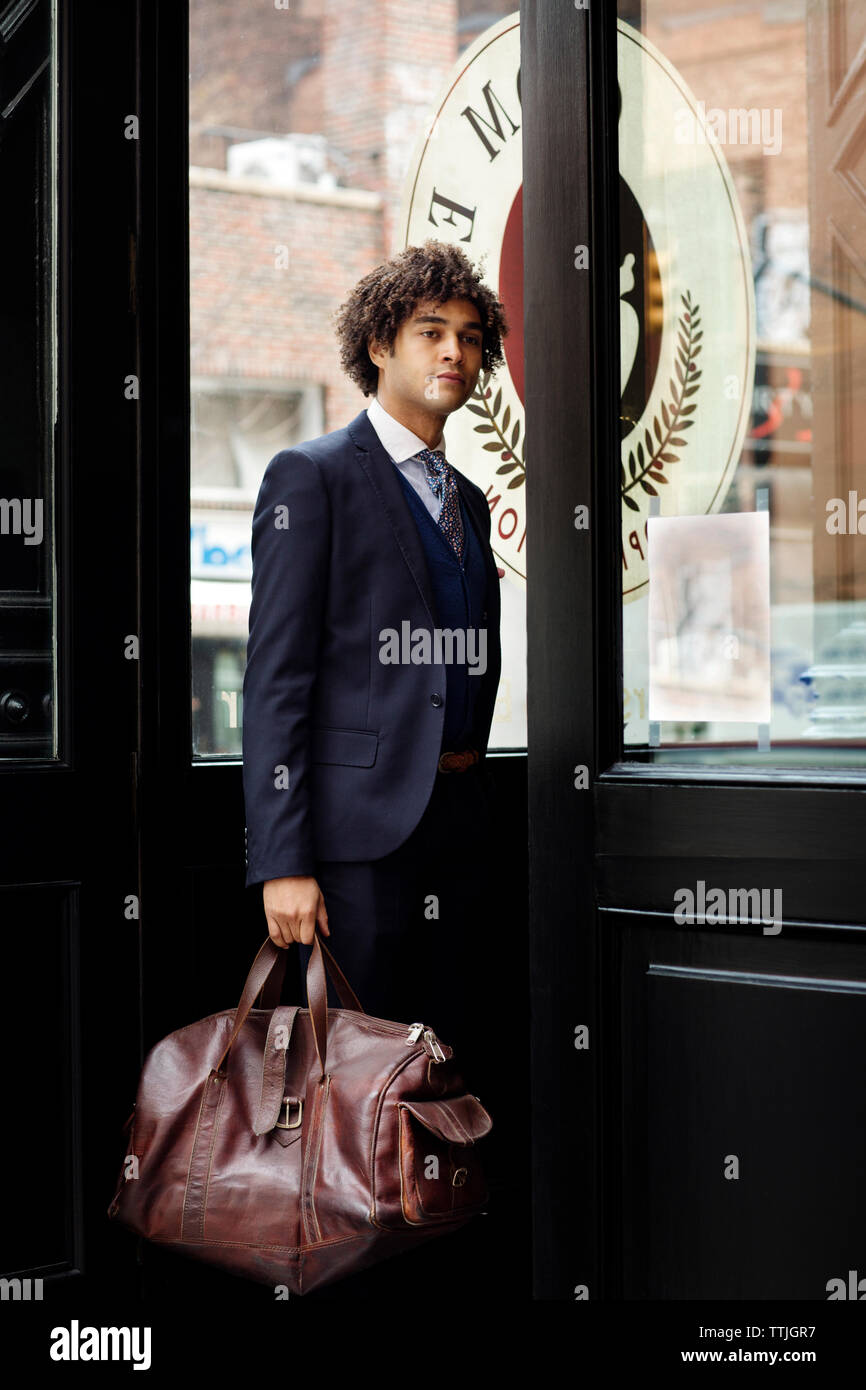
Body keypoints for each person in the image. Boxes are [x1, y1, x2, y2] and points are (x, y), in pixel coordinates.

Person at [242, 238, 507, 1068]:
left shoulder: (463, 496)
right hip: (356, 849)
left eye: (469, 336)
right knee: (351, 1077)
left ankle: (433, 1203)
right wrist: (283, 862)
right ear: (379, 346)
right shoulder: (310, 477)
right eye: (430, 332)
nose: (453, 352)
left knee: (441, 1066)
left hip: (459, 831)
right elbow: (275, 681)